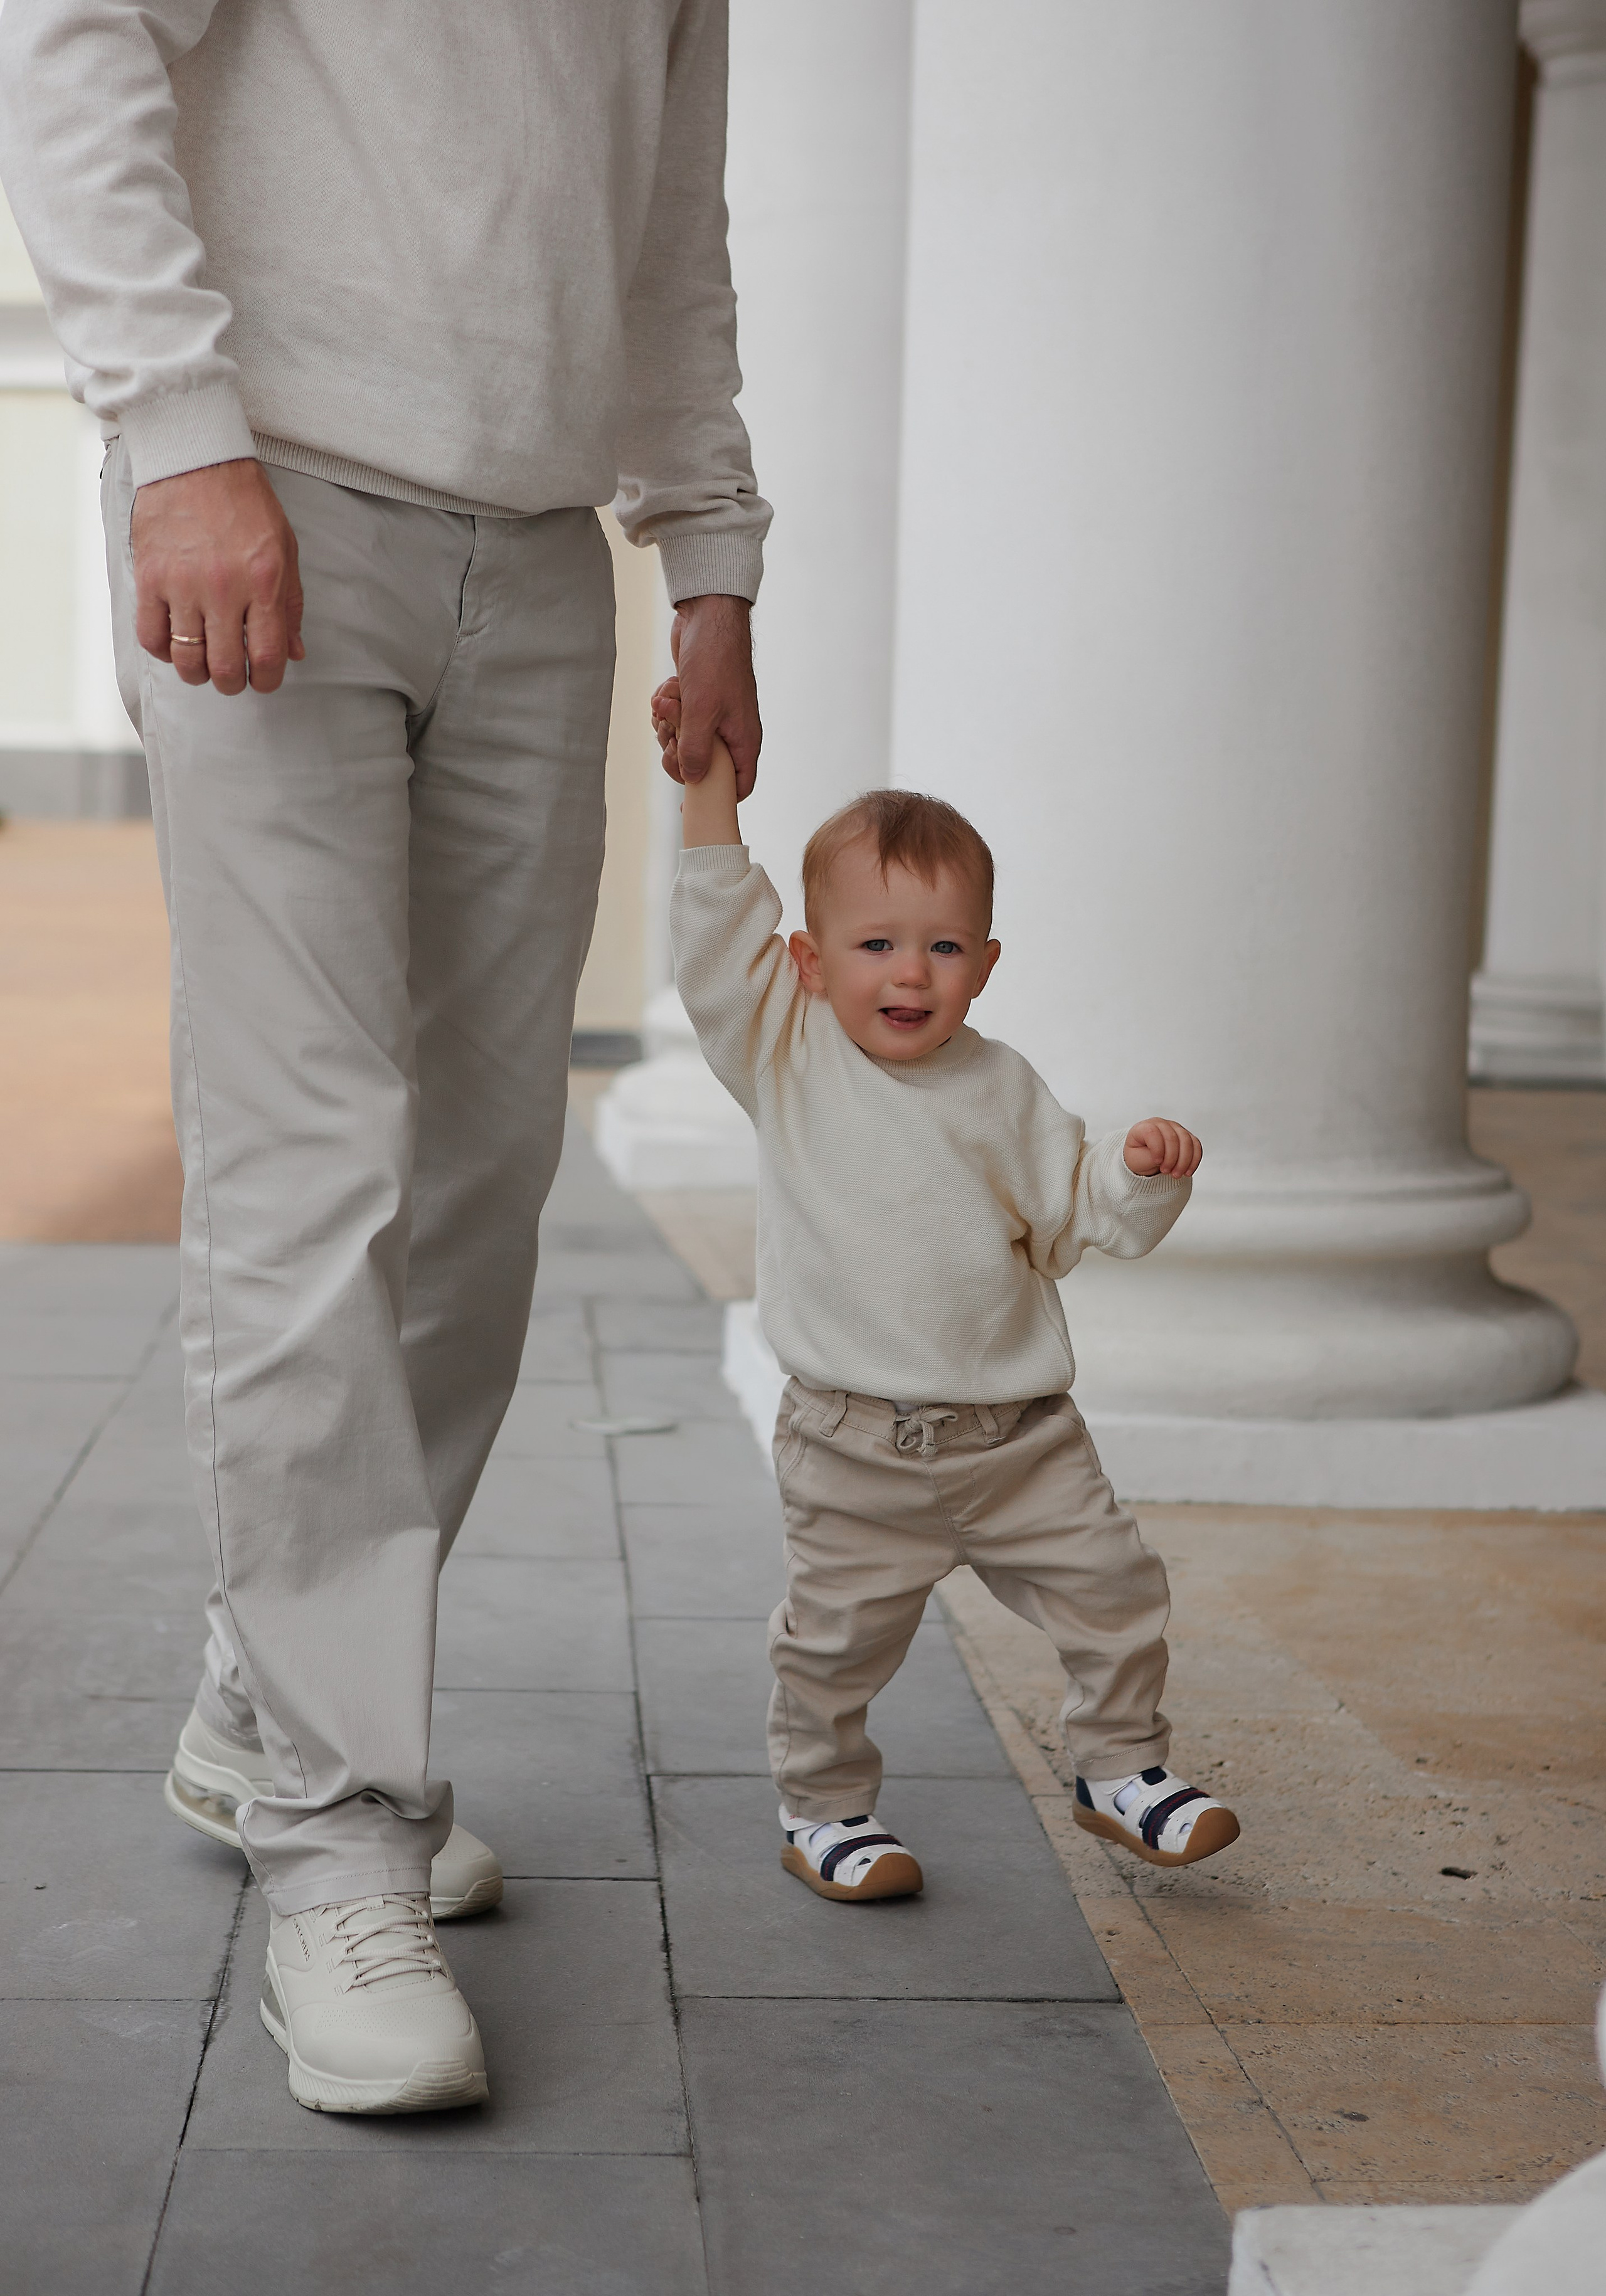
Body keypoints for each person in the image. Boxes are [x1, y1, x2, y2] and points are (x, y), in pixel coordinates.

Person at [0, 1, 768, 2114]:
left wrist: (707, 545)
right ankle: (341, 1824)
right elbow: (73, 43)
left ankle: (270, 1704)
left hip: (537, 559)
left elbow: (667, 222)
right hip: (273, 501)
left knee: (477, 1192)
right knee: (309, 1165)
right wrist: (176, 433)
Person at [656, 730, 1240, 1901]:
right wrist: (707, 790)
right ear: (810, 961)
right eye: (875, 945)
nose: (909, 974)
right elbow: (718, 945)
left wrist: (1140, 1173)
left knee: (1116, 1588)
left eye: (942, 947)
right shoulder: (788, 1054)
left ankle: (1120, 1769)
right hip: (855, 1445)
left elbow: (1081, 1220)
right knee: (833, 1644)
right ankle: (823, 1810)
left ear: (985, 962)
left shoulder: (1004, 1087)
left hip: (1020, 1437)